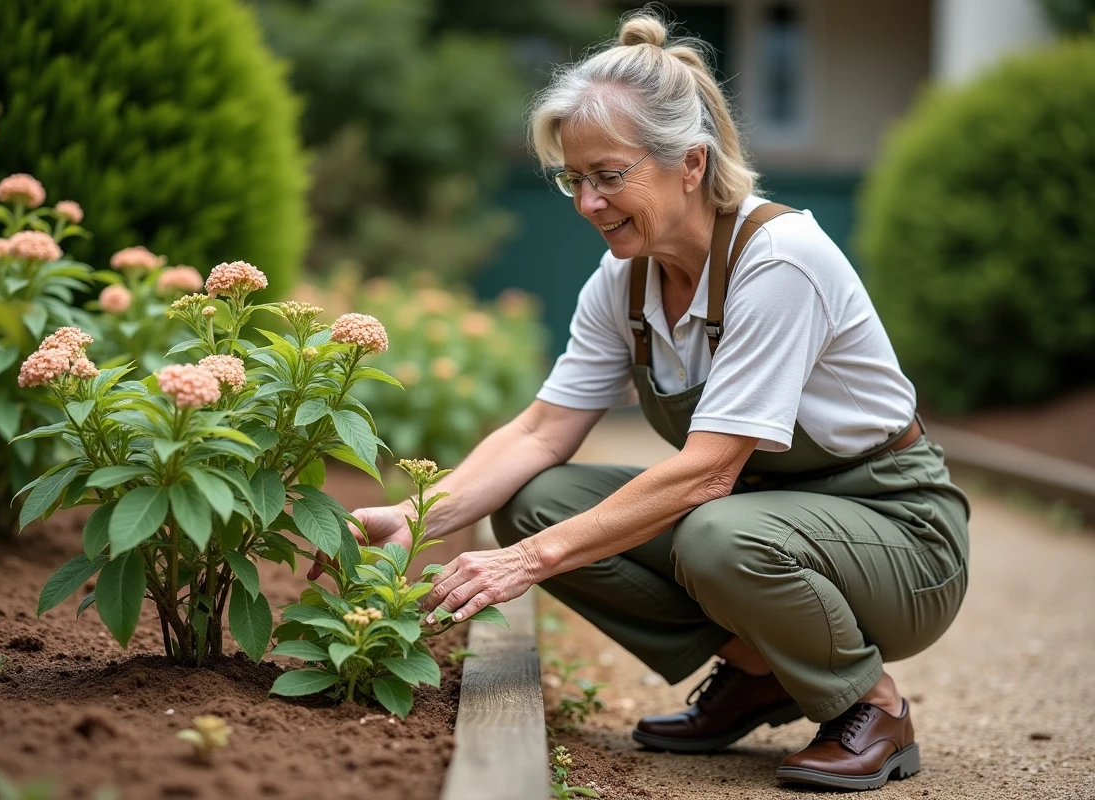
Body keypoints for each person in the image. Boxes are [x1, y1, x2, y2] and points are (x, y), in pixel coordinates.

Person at [336, 8, 969, 792]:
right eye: (575, 179)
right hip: (764, 522)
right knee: (539, 501)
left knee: (710, 532)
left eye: (609, 176)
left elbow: (707, 475)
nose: (587, 203)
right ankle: (761, 671)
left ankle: (872, 707)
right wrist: (419, 518)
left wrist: (526, 566)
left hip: (900, 538)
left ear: (691, 164)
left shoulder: (780, 260)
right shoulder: (624, 280)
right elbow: (541, 430)